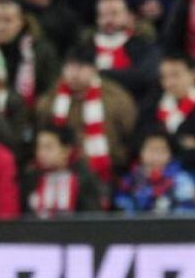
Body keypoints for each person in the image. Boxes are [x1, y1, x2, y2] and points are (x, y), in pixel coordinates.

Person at [36, 44, 138, 182]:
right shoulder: (50, 99)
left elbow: (130, 137)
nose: (75, 74)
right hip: (59, 175)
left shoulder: (116, 98)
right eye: (71, 67)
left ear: (94, 69)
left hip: (109, 173)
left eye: (82, 67)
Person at [136, 51, 195, 179]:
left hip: (191, 174)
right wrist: (181, 142)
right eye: (164, 77)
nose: (170, 83)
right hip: (149, 173)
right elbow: (139, 141)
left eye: (176, 76)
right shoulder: (152, 104)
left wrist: (163, 147)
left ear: (193, 74)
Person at [0, 0, 61, 107]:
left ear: (21, 22)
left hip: (29, 115)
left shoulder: (41, 51)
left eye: (8, 20)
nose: (1, 27)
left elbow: (50, 88)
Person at [23, 125, 106, 217]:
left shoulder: (84, 178)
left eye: (48, 147)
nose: (41, 153)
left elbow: (92, 218)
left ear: (66, 151)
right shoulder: (31, 178)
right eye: (39, 147)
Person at [88, 0, 161, 97]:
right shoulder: (86, 45)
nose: (108, 20)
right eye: (103, 15)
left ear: (128, 16)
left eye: (114, 14)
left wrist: (99, 73)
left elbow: (145, 77)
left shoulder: (143, 45)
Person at [114, 127, 195, 213]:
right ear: (140, 152)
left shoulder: (182, 180)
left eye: (161, 151)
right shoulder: (129, 181)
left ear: (170, 154)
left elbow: (187, 213)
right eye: (151, 150)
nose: (156, 157)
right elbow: (122, 210)